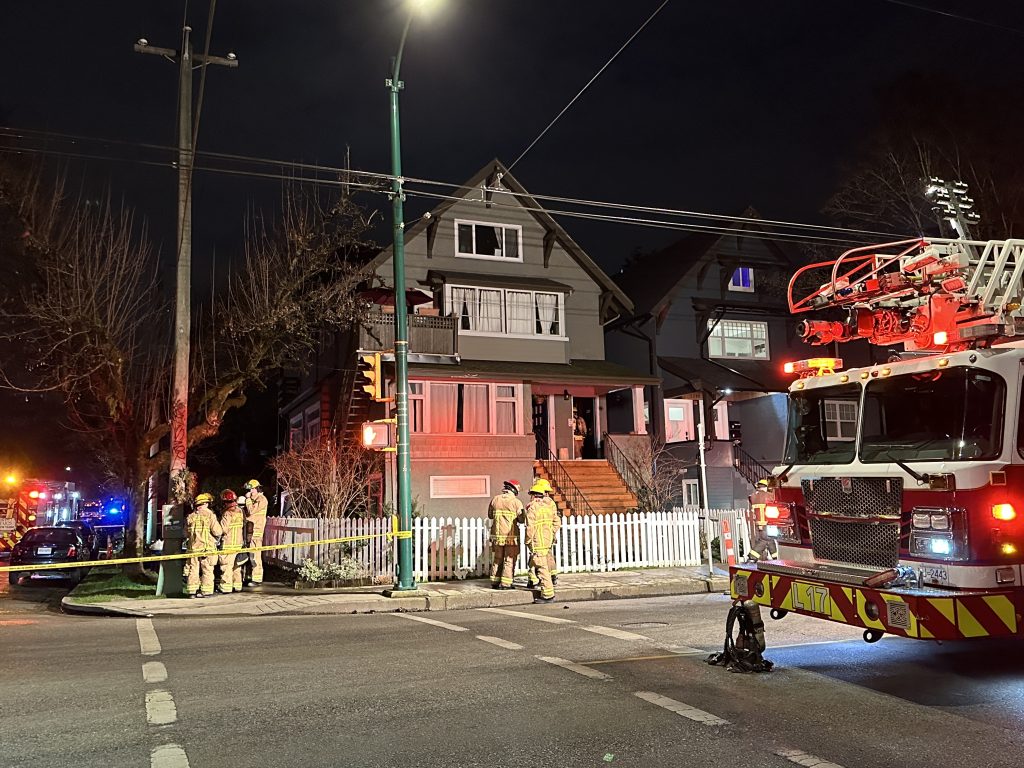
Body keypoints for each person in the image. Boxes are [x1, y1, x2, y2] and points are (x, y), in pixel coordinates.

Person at [525, 478, 559, 604]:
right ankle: (535, 581)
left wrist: (527, 540)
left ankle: (548, 595)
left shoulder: (533, 508)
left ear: (534, 495)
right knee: (540, 564)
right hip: (546, 541)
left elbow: (530, 527)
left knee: (542, 568)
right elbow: (555, 522)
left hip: (537, 542)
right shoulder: (548, 507)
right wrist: (551, 534)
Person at [184, 493, 223, 598]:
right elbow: (217, 531)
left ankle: (192, 592)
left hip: (193, 549)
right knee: (207, 570)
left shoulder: (190, 517)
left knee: (193, 570)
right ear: (205, 503)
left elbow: (185, 534)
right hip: (207, 549)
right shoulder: (210, 515)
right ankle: (206, 592)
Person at [488, 480, 525, 590]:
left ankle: (495, 581)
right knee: (509, 559)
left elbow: (490, 515)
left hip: (497, 536)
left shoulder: (495, 499)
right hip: (510, 536)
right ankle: (506, 583)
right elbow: (522, 519)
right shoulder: (516, 502)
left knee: (497, 558)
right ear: (514, 490)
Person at [217, 489, 245, 593]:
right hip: (239, 543)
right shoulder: (240, 511)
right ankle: (237, 586)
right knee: (236, 566)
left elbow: (223, 529)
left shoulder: (227, 513)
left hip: (228, 544)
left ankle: (226, 587)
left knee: (227, 567)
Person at [243, 479, 268, 585]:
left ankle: (257, 579)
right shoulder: (253, 499)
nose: (249, 491)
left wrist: (248, 500)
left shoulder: (262, 499)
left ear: (256, 488)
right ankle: (249, 576)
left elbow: (252, 511)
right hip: (249, 531)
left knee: (255, 555)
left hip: (256, 532)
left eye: (251, 489)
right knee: (249, 555)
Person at [746, 478, 777, 563]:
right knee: (765, 540)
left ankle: (776, 558)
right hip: (767, 523)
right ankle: (752, 556)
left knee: (769, 540)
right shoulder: (769, 496)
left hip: (758, 523)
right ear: (765, 487)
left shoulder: (752, 496)